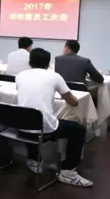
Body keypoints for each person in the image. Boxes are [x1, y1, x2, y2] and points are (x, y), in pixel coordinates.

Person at [16, 48, 93, 187]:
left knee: (30, 118)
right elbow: (73, 102)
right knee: (79, 130)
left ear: (30, 62)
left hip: (20, 127)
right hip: (43, 129)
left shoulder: (20, 75)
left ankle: (34, 160)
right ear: (48, 64)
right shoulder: (54, 76)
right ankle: (68, 171)